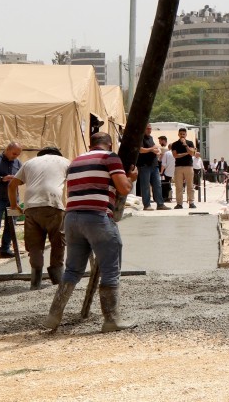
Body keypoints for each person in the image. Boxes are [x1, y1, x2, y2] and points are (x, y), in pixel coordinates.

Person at [43, 132, 137, 333]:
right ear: (109, 144)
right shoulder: (110, 157)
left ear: (90, 144)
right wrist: (131, 178)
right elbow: (123, 188)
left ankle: (53, 315)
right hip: (97, 216)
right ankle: (111, 319)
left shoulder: (76, 161)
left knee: (72, 270)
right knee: (110, 269)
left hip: (72, 218)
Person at [8, 146, 70, 290]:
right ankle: (57, 279)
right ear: (58, 154)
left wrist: (14, 205)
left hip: (31, 206)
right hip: (53, 203)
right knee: (57, 242)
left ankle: (35, 282)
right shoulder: (65, 162)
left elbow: (12, 185)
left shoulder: (29, 163)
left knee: (34, 246)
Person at [136, 124, 169, 211]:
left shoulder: (150, 138)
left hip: (154, 165)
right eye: (147, 128)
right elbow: (141, 150)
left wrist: (156, 150)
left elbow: (155, 148)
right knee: (145, 186)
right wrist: (151, 149)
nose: (149, 130)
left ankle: (160, 204)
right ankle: (147, 205)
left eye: (150, 129)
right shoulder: (140, 138)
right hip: (144, 165)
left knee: (158, 185)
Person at [170, 127, 196, 209]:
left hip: (188, 166)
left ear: (186, 135)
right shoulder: (175, 144)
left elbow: (191, 153)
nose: (182, 135)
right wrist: (185, 153)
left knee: (190, 185)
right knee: (179, 186)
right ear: (178, 134)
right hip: (178, 166)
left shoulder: (190, 143)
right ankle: (179, 203)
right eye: (181, 134)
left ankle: (191, 202)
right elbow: (175, 155)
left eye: (183, 134)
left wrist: (186, 145)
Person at [159, 135, 175, 203]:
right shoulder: (175, 154)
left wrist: (161, 172)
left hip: (166, 172)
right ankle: (170, 196)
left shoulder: (167, 153)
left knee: (164, 184)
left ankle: (166, 197)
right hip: (174, 172)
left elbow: (163, 164)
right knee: (169, 184)